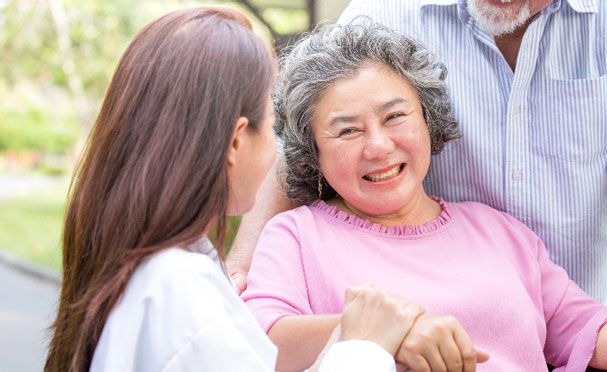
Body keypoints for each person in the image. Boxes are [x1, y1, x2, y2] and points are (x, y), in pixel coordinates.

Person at [228, 1, 607, 371]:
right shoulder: (296, 238)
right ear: (311, 150)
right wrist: (376, 336)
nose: (378, 146)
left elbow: (586, 327)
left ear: (430, 123)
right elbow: (256, 338)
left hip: (599, 281)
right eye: (347, 130)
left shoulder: (503, 235)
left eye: (396, 117)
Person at [44, 7, 427, 372]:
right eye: (274, 126)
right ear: (237, 142)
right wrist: (364, 346)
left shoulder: (156, 273)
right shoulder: (183, 297)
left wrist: (344, 339)